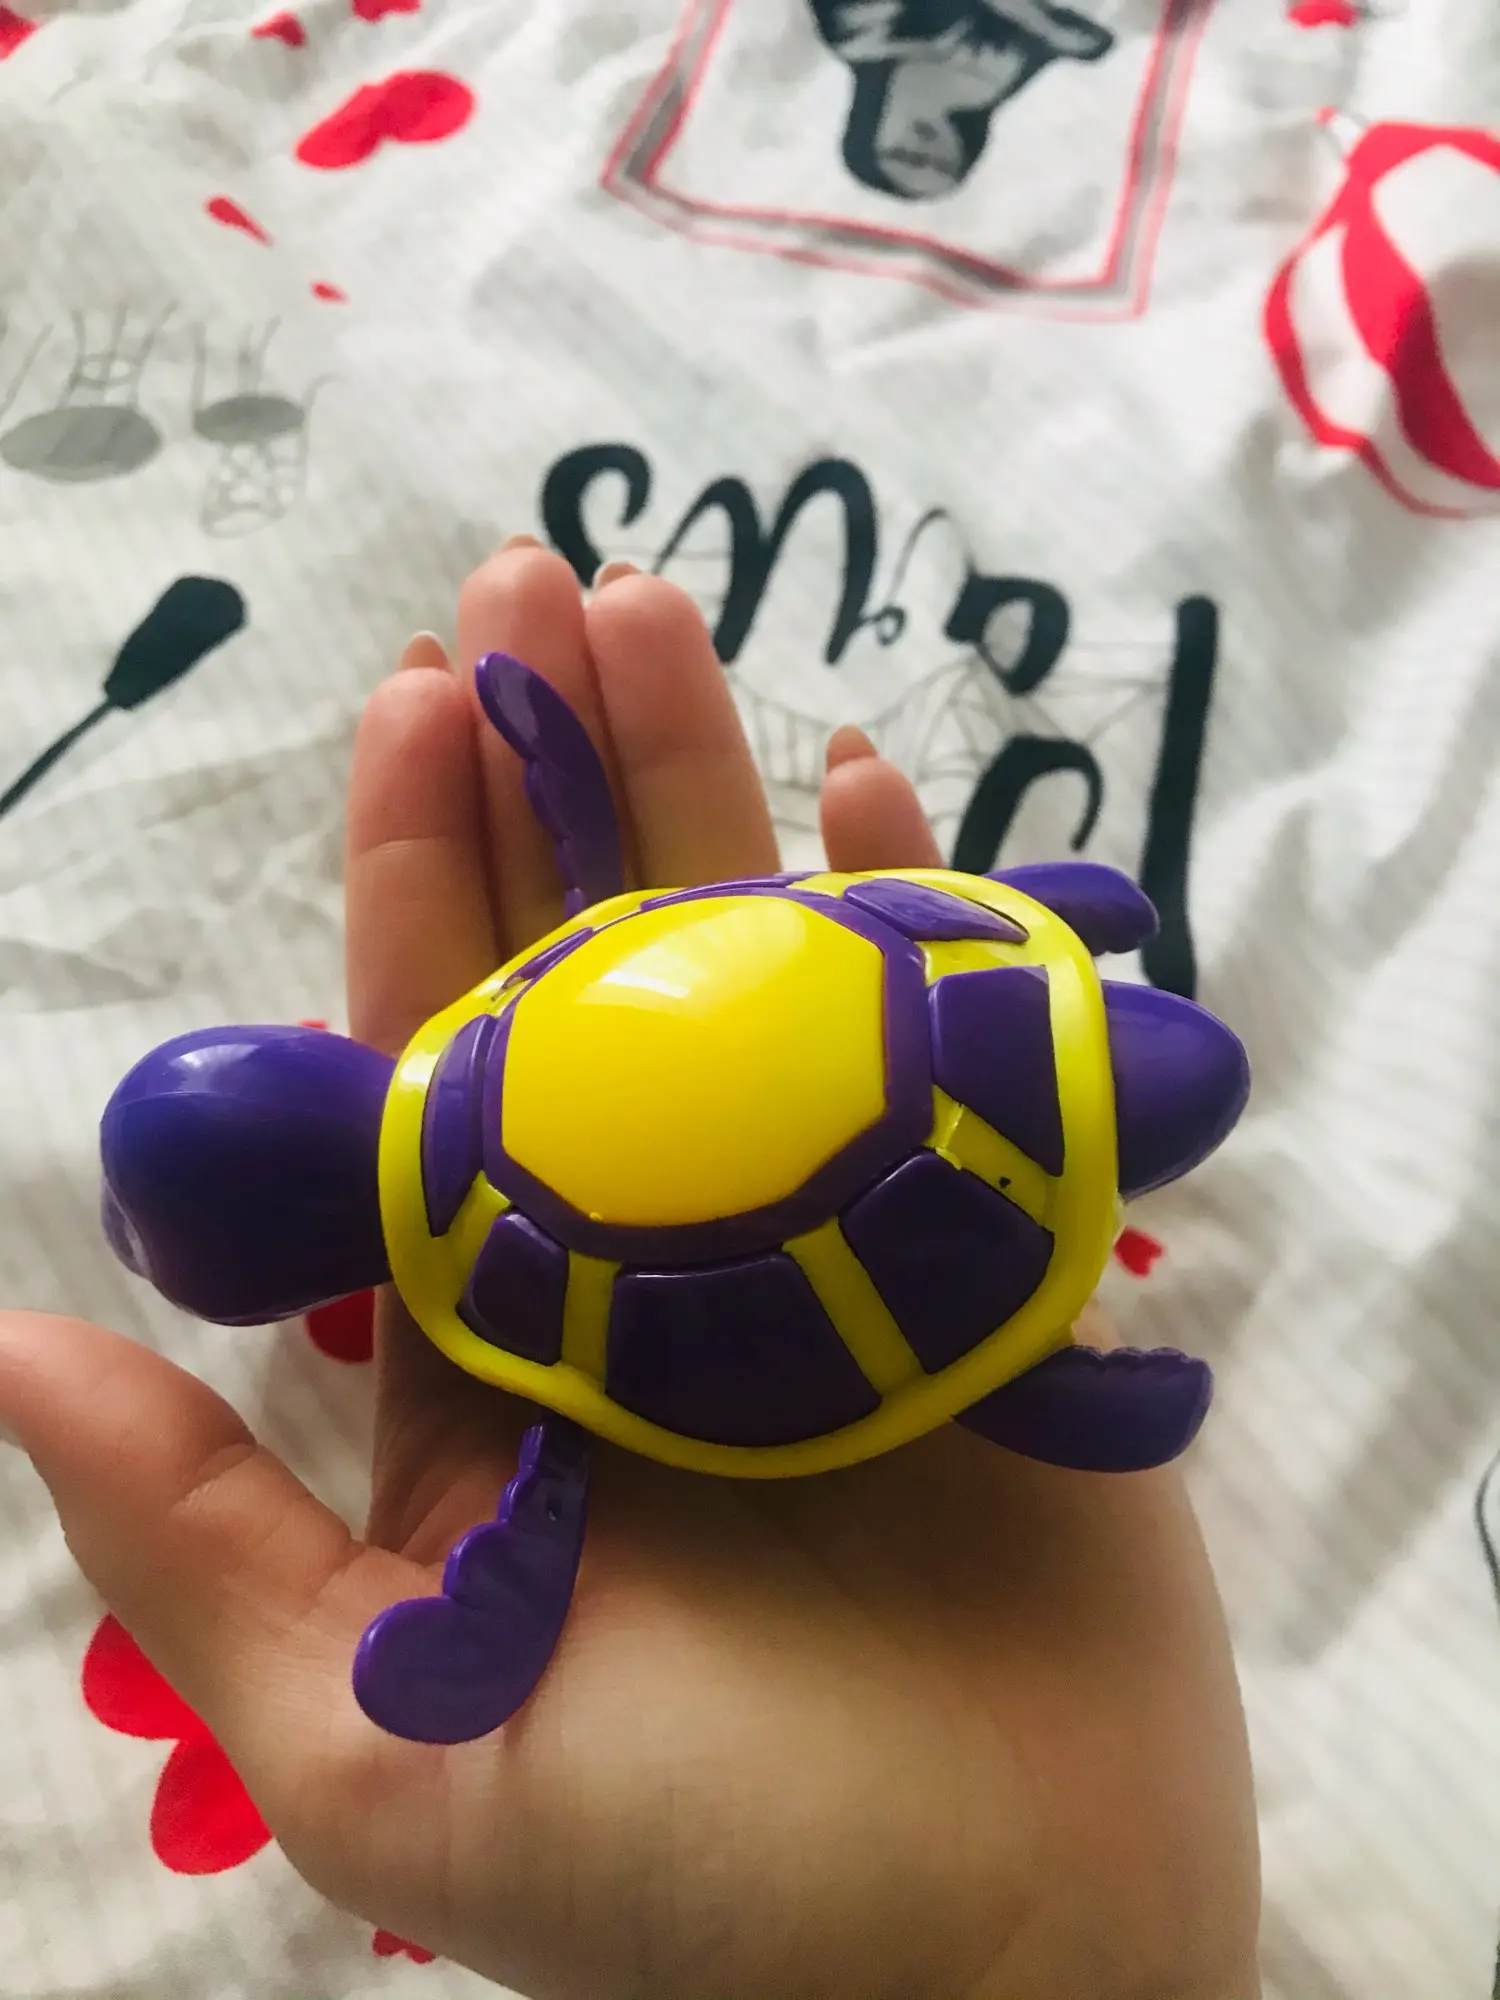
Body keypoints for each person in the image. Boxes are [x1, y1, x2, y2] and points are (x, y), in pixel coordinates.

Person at [0, 541, 1261, 2000]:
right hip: (933, 959)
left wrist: (481, 1638)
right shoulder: (547, 985)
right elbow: (623, 910)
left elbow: (555, 1492)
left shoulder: (528, 1309)